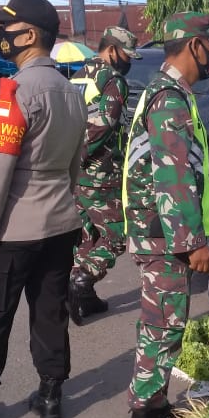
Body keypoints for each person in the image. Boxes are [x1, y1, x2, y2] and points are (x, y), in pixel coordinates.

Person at [0, 0, 86, 418]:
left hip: (12, 229)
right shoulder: (73, 95)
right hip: (59, 225)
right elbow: (76, 165)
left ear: (30, 35)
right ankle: (51, 397)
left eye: (7, 29)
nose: (1, 37)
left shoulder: (14, 92)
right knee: (49, 312)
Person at [121, 12, 209, 418]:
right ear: (194, 46)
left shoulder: (164, 93)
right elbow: (173, 177)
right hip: (165, 235)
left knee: (164, 322)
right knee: (163, 327)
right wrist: (194, 241)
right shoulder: (170, 100)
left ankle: (155, 405)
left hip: (158, 231)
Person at [67, 25, 142, 325]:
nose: (129, 61)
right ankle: (81, 280)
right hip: (102, 173)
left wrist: (69, 160)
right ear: (112, 50)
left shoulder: (78, 76)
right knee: (117, 236)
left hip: (76, 175)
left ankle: (83, 298)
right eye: (126, 54)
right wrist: (81, 154)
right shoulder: (112, 80)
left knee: (87, 236)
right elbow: (103, 125)